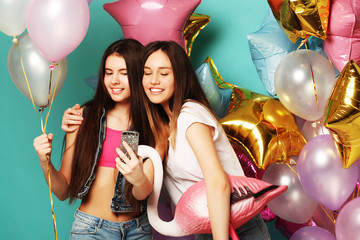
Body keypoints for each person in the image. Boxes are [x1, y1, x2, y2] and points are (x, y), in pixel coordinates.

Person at [33, 39, 167, 239]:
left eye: (124, 73)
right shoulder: (83, 118)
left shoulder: (157, 126)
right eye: (108, 72)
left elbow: (143, 193)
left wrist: (138, 177)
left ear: (140, 75)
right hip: (91, 230)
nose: (114, 80)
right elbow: (63, 191)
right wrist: (45, 163)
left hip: (138, 230)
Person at [140, 41, 271, 240]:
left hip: (233, 227)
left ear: (180, 77)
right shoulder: (164, 129)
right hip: (204, 229)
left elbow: (218, 182)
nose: (153, 80)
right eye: (147, 73)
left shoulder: (189, 115)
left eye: (164, 73)